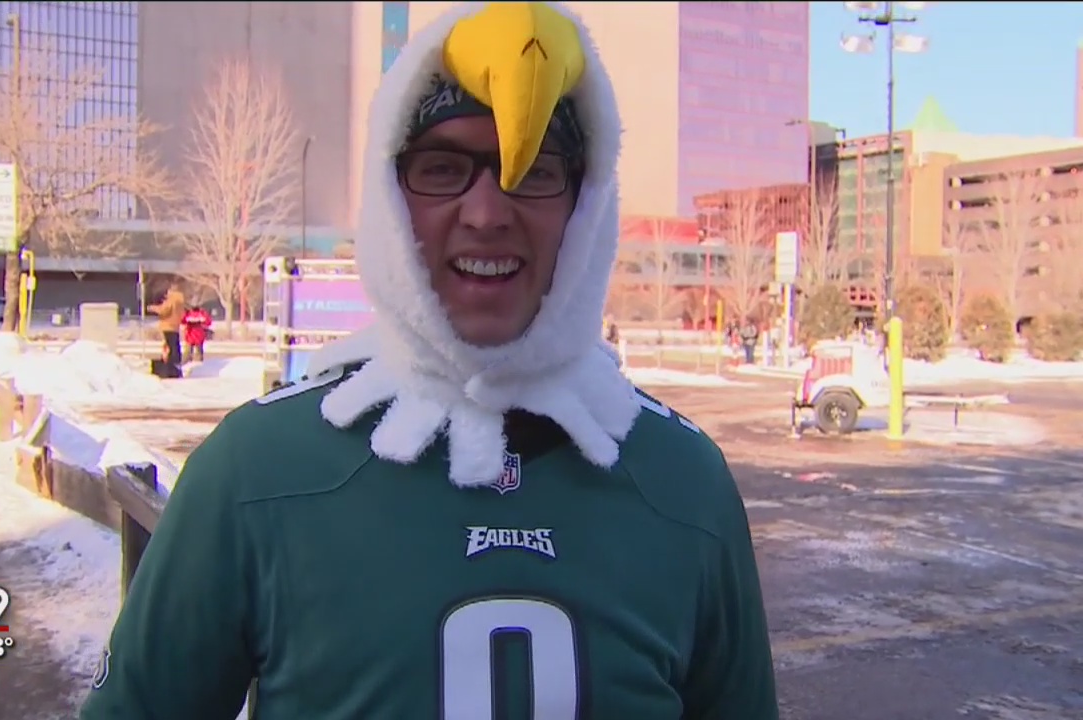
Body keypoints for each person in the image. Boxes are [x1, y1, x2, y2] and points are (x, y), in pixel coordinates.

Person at [80, 3, 778, 718]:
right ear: (389, 198)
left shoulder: (684, 486)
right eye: (442, 168)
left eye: (532, 169)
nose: (485, 212)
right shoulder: (254, 474)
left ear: (586, 205)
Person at [146, 282, 185, 368]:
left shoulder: (172, 299)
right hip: (175, 325)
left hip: (168, 325)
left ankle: (170, 363)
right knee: (175, 344)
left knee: (169, 345)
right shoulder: (180, 300)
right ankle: (176, 361)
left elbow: (164, 310)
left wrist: (153, 308)